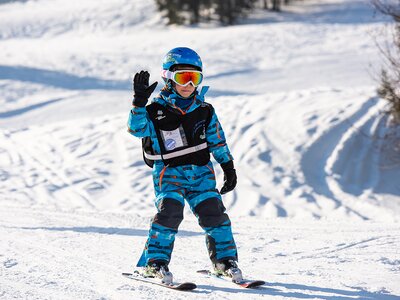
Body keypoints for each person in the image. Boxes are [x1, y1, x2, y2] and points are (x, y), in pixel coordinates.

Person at [127, 47, 241, 284]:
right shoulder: (155, 111)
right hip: (169, 175)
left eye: (194, 78)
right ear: (168, 78)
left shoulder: (205, 110)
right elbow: (136, 129)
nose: (188, 84)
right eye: (183, 78)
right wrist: (139, 103)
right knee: (169, 215)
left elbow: (217, 141)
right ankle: (154, 264)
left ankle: (224, 262)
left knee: (215, 217)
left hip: (202, 175)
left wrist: (228, 168)